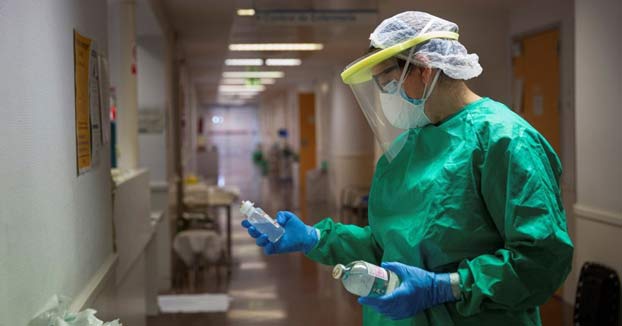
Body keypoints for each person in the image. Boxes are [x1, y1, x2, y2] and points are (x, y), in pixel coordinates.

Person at [242, 11, 573, 325]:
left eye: (387, 82)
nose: (386, 96)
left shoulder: (506, 140)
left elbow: (541, 261)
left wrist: (445, 286)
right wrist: (315, 239)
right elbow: (390, 243)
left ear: (423, 69)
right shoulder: (411, 144)